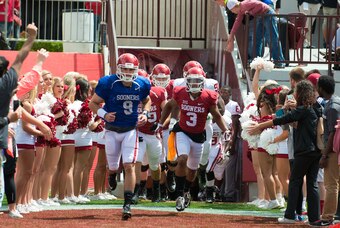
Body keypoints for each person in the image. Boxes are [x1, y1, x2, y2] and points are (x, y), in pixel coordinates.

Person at [249, 80, 322, 225]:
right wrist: (287, 108)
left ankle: (290, 215)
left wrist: (260, 125)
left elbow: (282, 119)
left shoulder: (303, 110)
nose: (294, 94)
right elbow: (287, 118)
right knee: (312, 184)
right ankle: (314, 219)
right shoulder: (315, 108)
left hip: (303, 151)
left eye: (296, 92)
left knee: (295, 181)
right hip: (315, 152)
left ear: (300, 93)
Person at [89, 53, 151, 220]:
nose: (128, 72)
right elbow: (92, 103)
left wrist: (145, 113)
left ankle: (127, 204)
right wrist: (103, 114)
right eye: (125, 68)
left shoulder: (142, 83)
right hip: (111, 130)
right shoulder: (108, 82)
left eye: (132, 69)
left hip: (130, 129)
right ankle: (112, 174)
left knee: (129, 164)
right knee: (113, 165)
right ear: (118, 68)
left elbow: (147, 100)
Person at [158, 66, 228, 212]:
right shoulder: (180, 92)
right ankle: (178, 196)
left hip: (198, 136)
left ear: (203, 82)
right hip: (183, 131)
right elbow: (169, 106)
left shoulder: (209, 96)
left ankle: (186, 192)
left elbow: (216, 115)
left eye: (198, 81)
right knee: (181, 159)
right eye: (191, 81)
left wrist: (226, 130)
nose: (195, 84)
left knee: (192, 170)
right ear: (186, 81)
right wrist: (160, 123)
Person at [225, 0, 285, 68]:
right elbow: (237, 22)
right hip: (261, 16)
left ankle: (279, 61)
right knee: (256, 38)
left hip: (268, 14)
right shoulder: (241, 10)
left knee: (272, 38)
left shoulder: (245, 4)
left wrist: (250, 12)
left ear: (235, 7)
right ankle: (256, 60)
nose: (233, 12)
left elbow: (260, 5)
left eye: (232, 10)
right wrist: (231, 35)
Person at [318, 75, 340, 225]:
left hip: (333, 150)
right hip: (337, 148)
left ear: (321, 88)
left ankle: (327, 218)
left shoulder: (332, 106)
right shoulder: (336, 102)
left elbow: (332, 132)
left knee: (331, 185)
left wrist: (324, 155)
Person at [219, 85, 242, 202]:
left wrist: (232, 141)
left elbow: (235, 124)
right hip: (218, 137)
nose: (223, 94)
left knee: (229, 167)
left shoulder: (234, 105)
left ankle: (229, 193)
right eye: (221, 92)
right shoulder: (216, 103)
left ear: (230, 94)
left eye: (226, 92)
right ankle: (217, 191)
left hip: (230, 138)